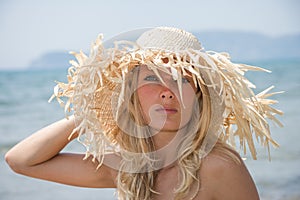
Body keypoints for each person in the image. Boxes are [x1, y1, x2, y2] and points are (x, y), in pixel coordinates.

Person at [5, 27, 283, 200]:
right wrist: (88, 115)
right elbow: (22, 161)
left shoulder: (218, 166)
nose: (167, 91)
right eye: (152, 79)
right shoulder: (127, 169)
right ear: (131, 95)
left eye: (182, 79)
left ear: (198, 96)